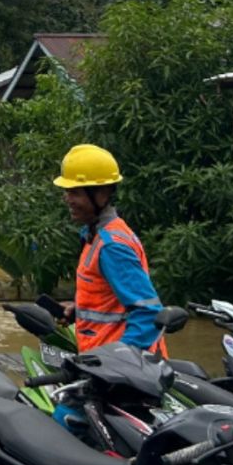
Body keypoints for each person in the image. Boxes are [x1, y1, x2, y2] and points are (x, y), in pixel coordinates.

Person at [53, 144, 166, 357]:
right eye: (66, 192)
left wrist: (117, 360)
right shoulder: (95, 235)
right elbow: (114, 303)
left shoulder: (112, 246)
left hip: (121, 371)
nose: (67, 199)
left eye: (74, 192)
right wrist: (79, 310)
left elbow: (148, 314)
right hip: (101, 361)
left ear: (101, 194)